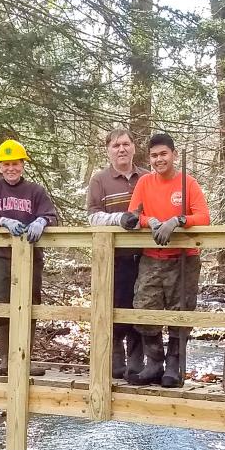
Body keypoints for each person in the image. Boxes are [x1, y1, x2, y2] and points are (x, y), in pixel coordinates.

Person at [123, 132, 210, 388]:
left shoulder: (188, 183)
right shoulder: (145, 183)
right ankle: (155, 362)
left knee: (180, 311)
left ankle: (174, 365)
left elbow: (203, 217)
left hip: (183, 259)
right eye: (154, 156)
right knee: (144, 308)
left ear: (173, 154)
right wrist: (147, 220)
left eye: (163, 154)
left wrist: (178, 221)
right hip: (152, 257)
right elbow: (132, 215)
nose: (159, 159)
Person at [0, 139, 59, 377]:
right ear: (0, 166)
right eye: (6, 164)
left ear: (23, 165)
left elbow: (52, 215)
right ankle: (5, 358)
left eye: (16, 163)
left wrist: (42, 221)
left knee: (30, 303)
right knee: (1, 304)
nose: (11, 168)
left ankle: (24, 358)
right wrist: (1, 220)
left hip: (31, 257)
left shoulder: (35, 191)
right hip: (0, 257)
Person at [86, 128, 148, 379]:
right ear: (108, 150)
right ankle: (114, 358)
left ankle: (137, 360)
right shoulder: (100, 180)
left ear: (134, 147)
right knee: (114, 305)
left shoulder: (146, 177)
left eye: (125, 144)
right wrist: (119, 219)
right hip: (113, 256)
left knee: (140, 305)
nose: (121, 149)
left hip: (145, 256)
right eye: (115, 145)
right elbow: (93, 216)